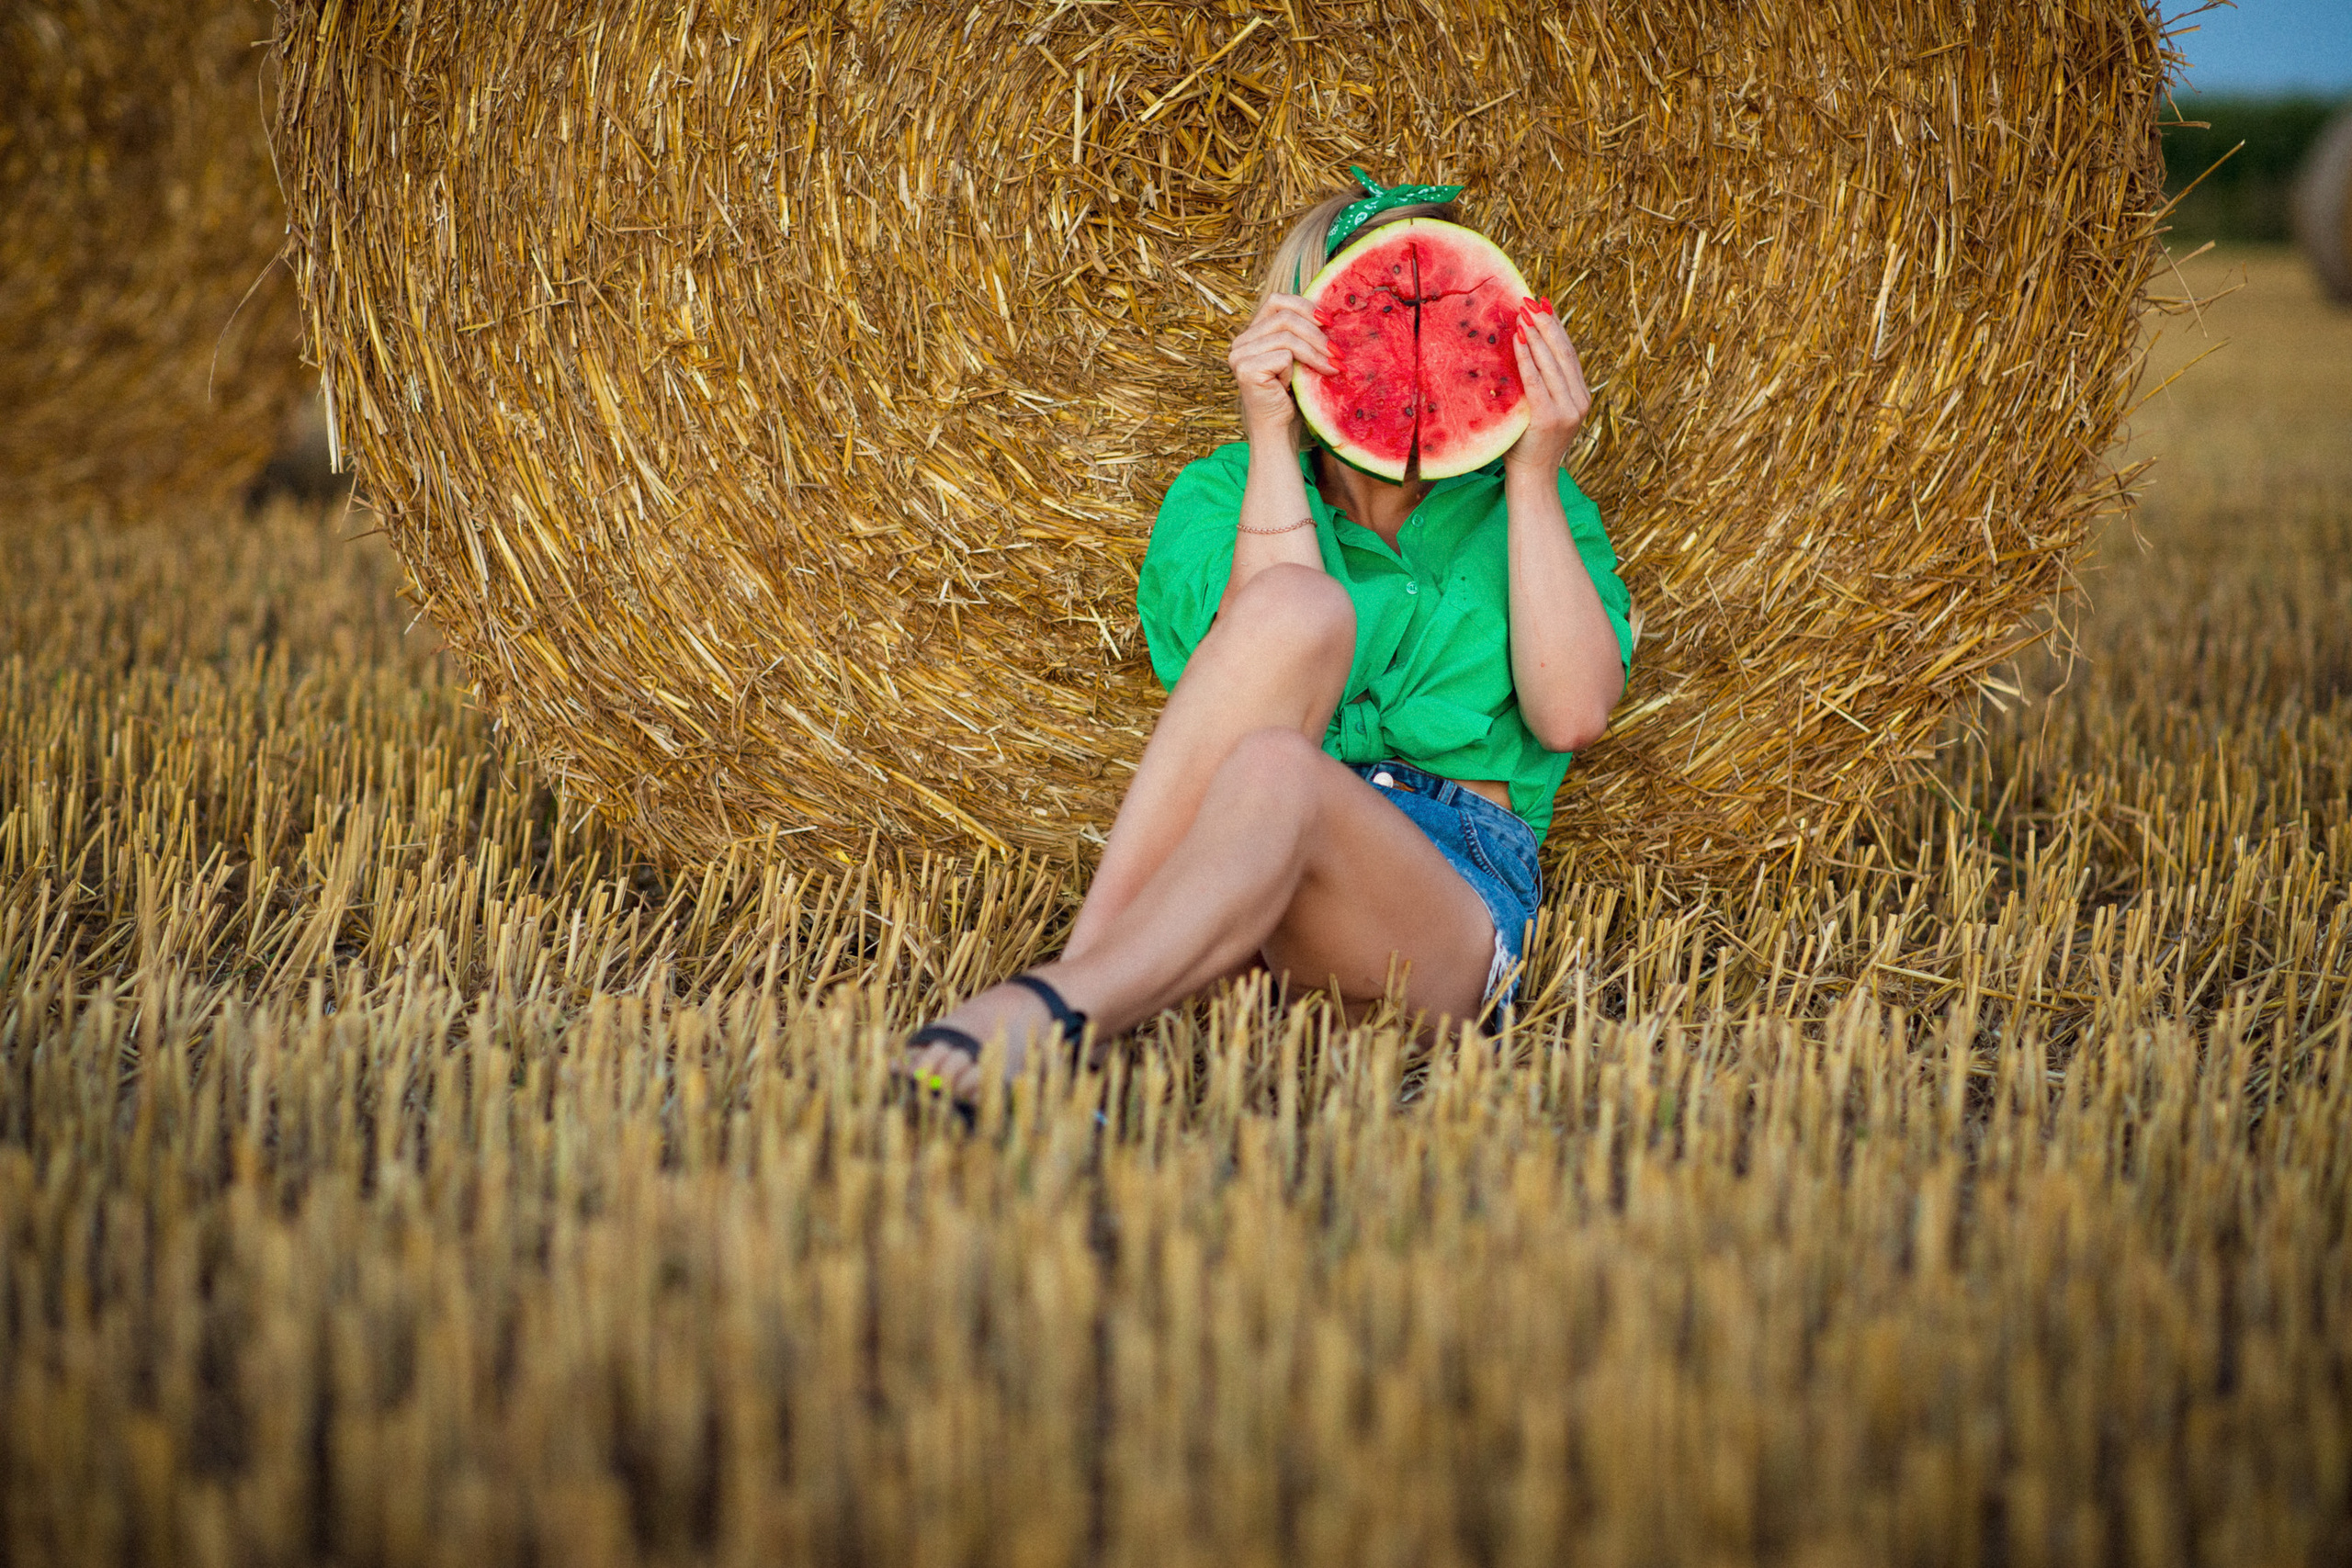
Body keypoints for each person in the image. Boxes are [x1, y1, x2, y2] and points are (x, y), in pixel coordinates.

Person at [897, 170, 1634, 1106]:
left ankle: (1043, 1010)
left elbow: (1571, 713)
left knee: (1281, 773)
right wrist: (1273, 434)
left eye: (1445, 323)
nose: (1411, 347)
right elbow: (1254, 647)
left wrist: (1534, 474)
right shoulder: (1219, 493)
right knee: (1293, 628)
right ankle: (1077, 995)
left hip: (1435, 907)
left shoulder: (1537, 502)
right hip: (1238, 892)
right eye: (1378, 321)